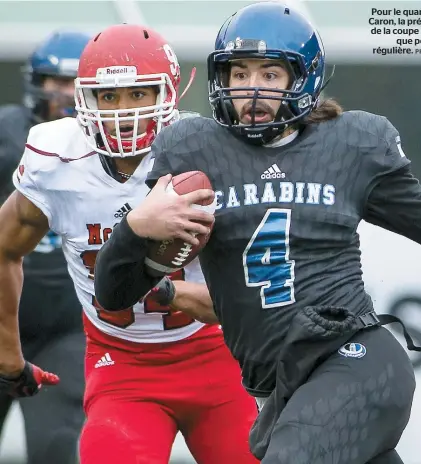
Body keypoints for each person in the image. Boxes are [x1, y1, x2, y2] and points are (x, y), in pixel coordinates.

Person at [93, 3, 421, 464]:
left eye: (269, 74)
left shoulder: (350, 146)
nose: (252, 90)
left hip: (357, 362)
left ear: (303, 79)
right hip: (280, 393)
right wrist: (136, 228)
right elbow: (114, 293)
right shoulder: (195, 150)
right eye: (239, 74)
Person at [0, 23, 259, 464]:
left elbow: (246, 298)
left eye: (138, 94)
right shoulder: (56, 159)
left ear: (169, 94)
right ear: (86, 100)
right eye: (109, 96)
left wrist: (165, 287)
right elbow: (5, 248)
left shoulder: (211, 154)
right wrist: (8, 356)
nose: (122, 111)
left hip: (214, 355)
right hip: (122, 366)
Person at [0, 30, 89, 464]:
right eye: (55, 81)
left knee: (55, 448)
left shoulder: (111, 147)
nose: (66, 93)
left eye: (75, 82)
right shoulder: (6, 133)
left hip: (64, 329)